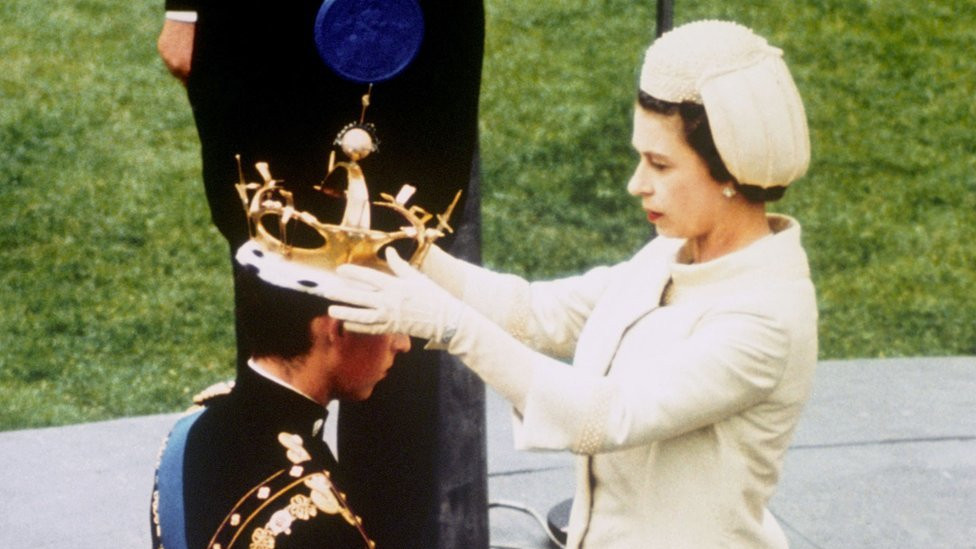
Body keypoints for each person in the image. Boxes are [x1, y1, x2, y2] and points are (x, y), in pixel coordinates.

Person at [318, 20, 819, 548]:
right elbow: (534, 312)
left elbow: (602, 416)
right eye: (639, 157)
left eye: (660, 164)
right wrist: (409, 250)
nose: (636, 183)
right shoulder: (668, 256)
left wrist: (447, 325)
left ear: (729, 173)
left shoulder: (768, 317)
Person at [156, 2, 487, 547]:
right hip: (269, 33)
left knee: (400, 287)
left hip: (418, 32)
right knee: (280, 287)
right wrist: (186, 8)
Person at [150, 258, 412, 549]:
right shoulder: (319, 525)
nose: (403, 343)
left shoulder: (189, 426)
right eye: (391, 323)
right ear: (337, 329)